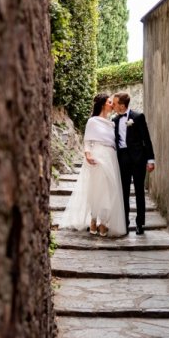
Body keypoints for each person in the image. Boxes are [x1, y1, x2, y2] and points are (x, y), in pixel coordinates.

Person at [60, 93, 127, 237]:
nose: (112, 104)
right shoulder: (92, 121)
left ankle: (103, 222)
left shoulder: (112, 123)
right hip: (97, 156)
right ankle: (94, 221)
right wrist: (88, 154)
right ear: (103, 104)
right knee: (97, 189)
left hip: (110, 156)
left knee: (109, 190)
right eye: (110, 102)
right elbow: (87, 140)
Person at [112, 92, 155, 235]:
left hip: (138, 159)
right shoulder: (115, 120)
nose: (113, 105)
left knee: (139, 192)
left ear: (122, 105)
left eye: (115, 103)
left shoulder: (138, 117)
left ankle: (140, 224)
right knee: (123, 192)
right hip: (122, 159)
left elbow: (146, 139)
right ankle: (124, 222)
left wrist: (150, 160)